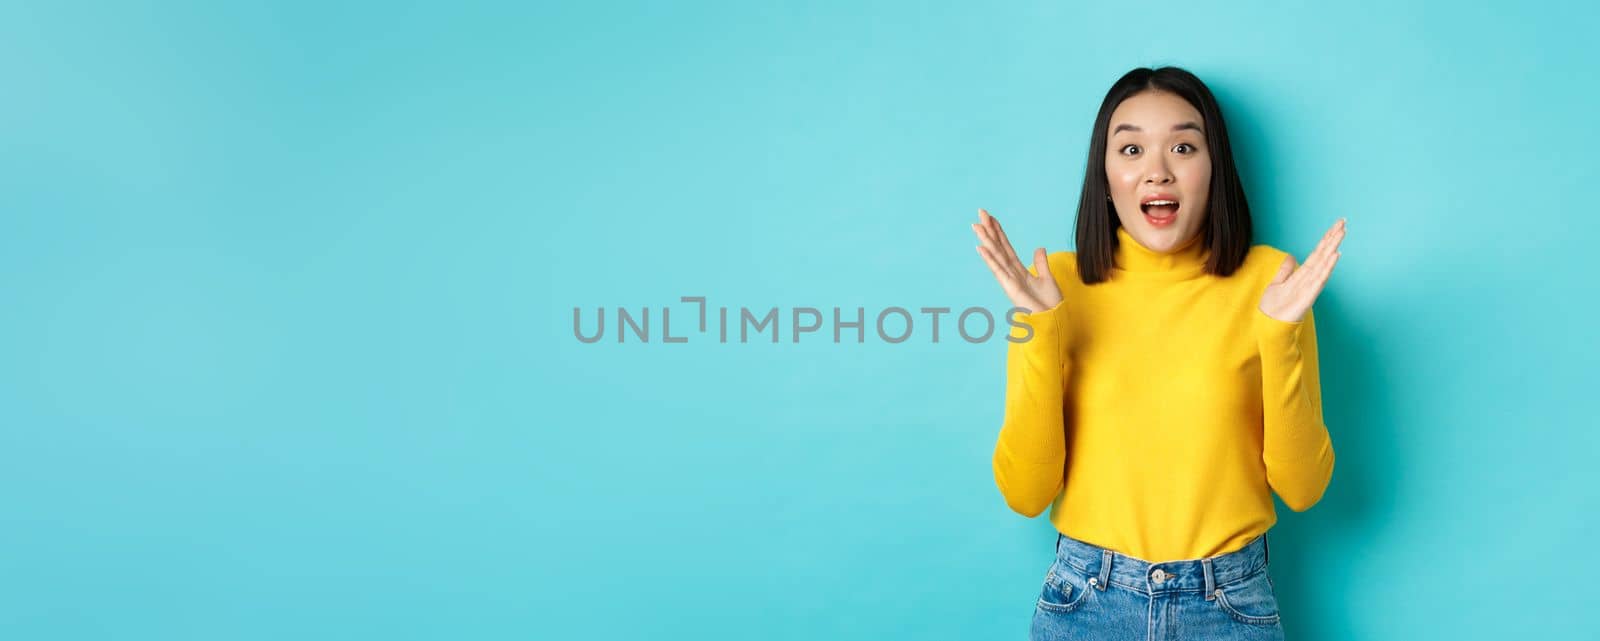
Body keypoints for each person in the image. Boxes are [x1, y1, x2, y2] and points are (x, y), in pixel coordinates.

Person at [972, 66, 1346, 640]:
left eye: (1182, 146)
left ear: (1213, 168)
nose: (1157, 171)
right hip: (1087, 602)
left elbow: (1303, 489)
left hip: (1229, 606)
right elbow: (1025, 494)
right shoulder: (1054, 285)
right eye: (1130, 148)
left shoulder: (1272, 283)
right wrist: (1042, 329)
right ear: (1105, 174)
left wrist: (1279, 334)